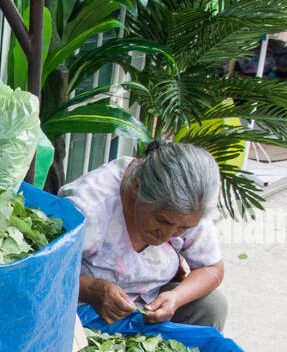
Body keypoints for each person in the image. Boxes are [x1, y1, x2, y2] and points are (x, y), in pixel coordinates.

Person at [59, 140, 227, 330]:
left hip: (149, 304)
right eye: (163, 221)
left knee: (211, 306)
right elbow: (42, 273)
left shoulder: (190, 203)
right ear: (136, 188)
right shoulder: (88, 208)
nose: (168, 236)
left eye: (182, 228)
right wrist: (90, 288)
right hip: (79, 307)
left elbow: (212, 268)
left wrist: (176, 298)